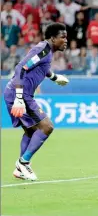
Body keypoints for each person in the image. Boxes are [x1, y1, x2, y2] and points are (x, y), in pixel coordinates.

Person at [3, 23, 70, 181]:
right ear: (53, 38)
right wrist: (19, 97)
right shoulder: (43, 49)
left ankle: (21, 168)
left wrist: (54, 77)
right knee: (47, 127)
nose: (66, 40)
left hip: (17, 93)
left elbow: (40, 67)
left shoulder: (47, 51)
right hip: (19, 94)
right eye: (63, 37)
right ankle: (23, 163)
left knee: (31, 131)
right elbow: (20, 67)